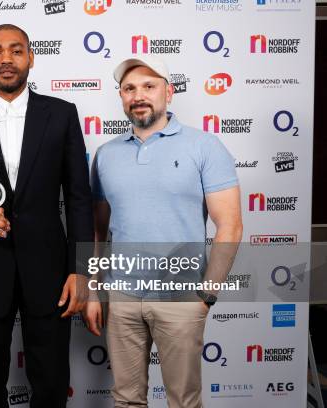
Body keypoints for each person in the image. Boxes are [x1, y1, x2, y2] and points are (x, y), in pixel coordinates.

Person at [0, 24, 93, 408]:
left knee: (51, 381)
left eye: (15, 50)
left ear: (31, 57)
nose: (6, 60)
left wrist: (81, 268)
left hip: (50, 271)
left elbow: (78, 197)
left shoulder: (61, 114)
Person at [84, 55, 243, 408]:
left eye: (148, 86)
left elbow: (229, 224)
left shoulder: (204, 146)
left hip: (180, 296)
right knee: (126, 399)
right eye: (129, 88)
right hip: (122, 297)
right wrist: (94, 292)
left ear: (168, 93)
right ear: (121, 97)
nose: (138, 95)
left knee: (183, 401)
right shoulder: (106, 155)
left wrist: (207, 294)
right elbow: (98, 231)